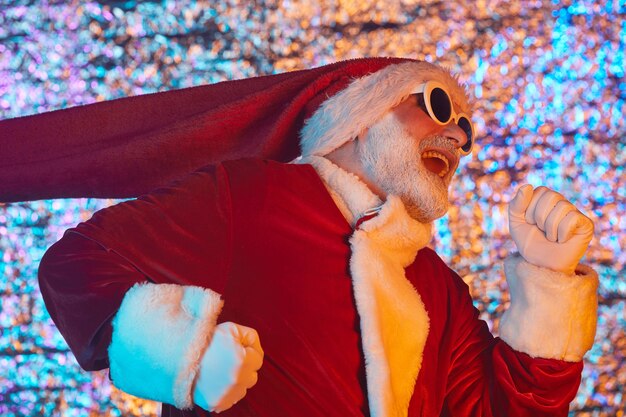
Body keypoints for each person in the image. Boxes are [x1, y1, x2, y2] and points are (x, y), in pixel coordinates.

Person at [1, 58, 597, 417]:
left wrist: (549, 283)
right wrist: (182, 352)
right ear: (362, 115)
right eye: (438, 105)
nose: (458, 136)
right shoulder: (250, 198)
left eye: (466, 127)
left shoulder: (436, 285)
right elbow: (79, 264)